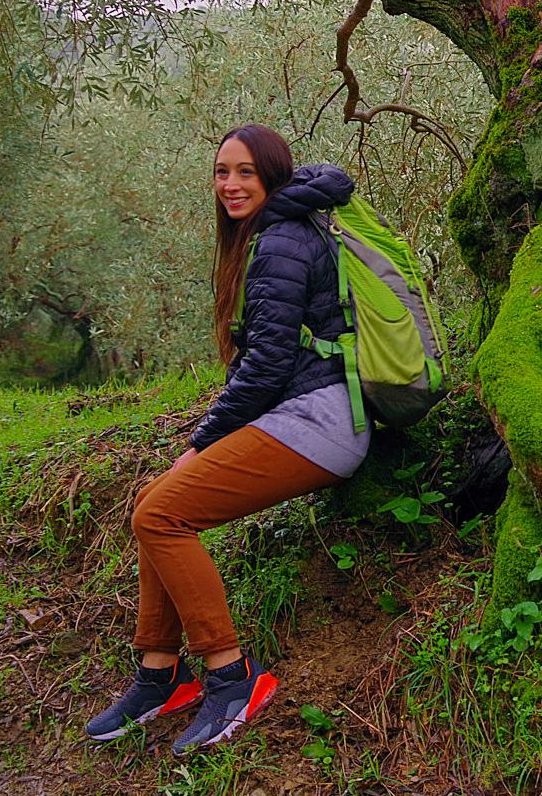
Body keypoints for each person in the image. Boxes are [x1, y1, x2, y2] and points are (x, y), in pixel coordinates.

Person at [83, 124, 371, 755]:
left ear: (272, 175)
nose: (231, 185)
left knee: (161, 512)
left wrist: (204, 439)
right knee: (156, 503)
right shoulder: (282, 233)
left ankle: (228, 675)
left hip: (319, 420)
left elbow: (265, 367)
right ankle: (159, 674)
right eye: (221, 172)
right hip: (305, 415)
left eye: (245, 172)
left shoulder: (282, 241)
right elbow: (264, 361)